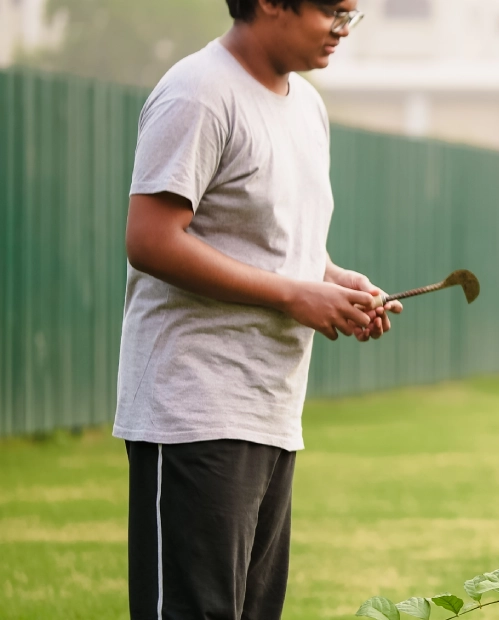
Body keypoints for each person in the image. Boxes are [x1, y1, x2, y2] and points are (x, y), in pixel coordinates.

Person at [114, 1, 393, 618]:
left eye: (353, 16)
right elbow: (151, 239)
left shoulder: (308, 108)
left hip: (272, 412)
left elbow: (278, 244)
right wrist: (295, 295)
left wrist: (335, 283)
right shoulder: (199, 92)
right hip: (194, 409)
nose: (343, 30)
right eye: (333, 11)